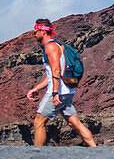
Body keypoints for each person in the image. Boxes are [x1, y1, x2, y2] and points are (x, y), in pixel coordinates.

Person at [26, 19, 97, 147]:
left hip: (58, 92)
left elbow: (56, 70)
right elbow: (51, 75)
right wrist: (36, 88)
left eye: (35, 31)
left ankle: (37, 155)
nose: (34, 34)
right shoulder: (56, 46)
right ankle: (95, 148)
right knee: (74, 123)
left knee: (38, 122)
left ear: (43, 31)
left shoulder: (51, 47)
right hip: (67, 92)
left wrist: (55, 93)